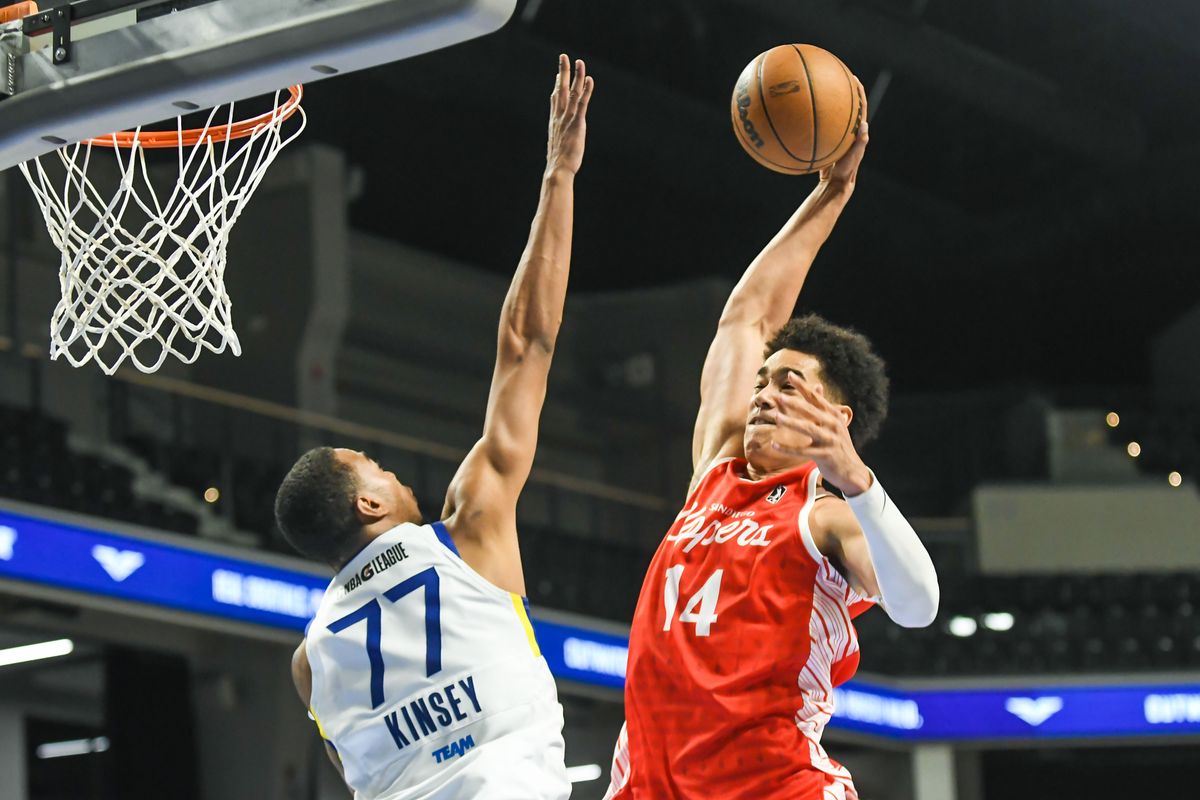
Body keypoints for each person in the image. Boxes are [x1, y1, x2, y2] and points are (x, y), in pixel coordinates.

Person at [605, 87, 939, 800]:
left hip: (774, 787)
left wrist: (857, 479)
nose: (762, 393)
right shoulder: (716, 469)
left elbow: (918, 606)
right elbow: (747, 319)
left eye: (788, 383)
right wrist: (831, 194)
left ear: (835, 415)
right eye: (762, 381)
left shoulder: (828, 518)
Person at [274, 55, 594, 800]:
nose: (391, 471)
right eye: (374, 467)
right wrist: (560, 175)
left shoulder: (310, 662)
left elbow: (357, 772)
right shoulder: (469, 531)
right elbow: (527, 343)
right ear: (368, 503)